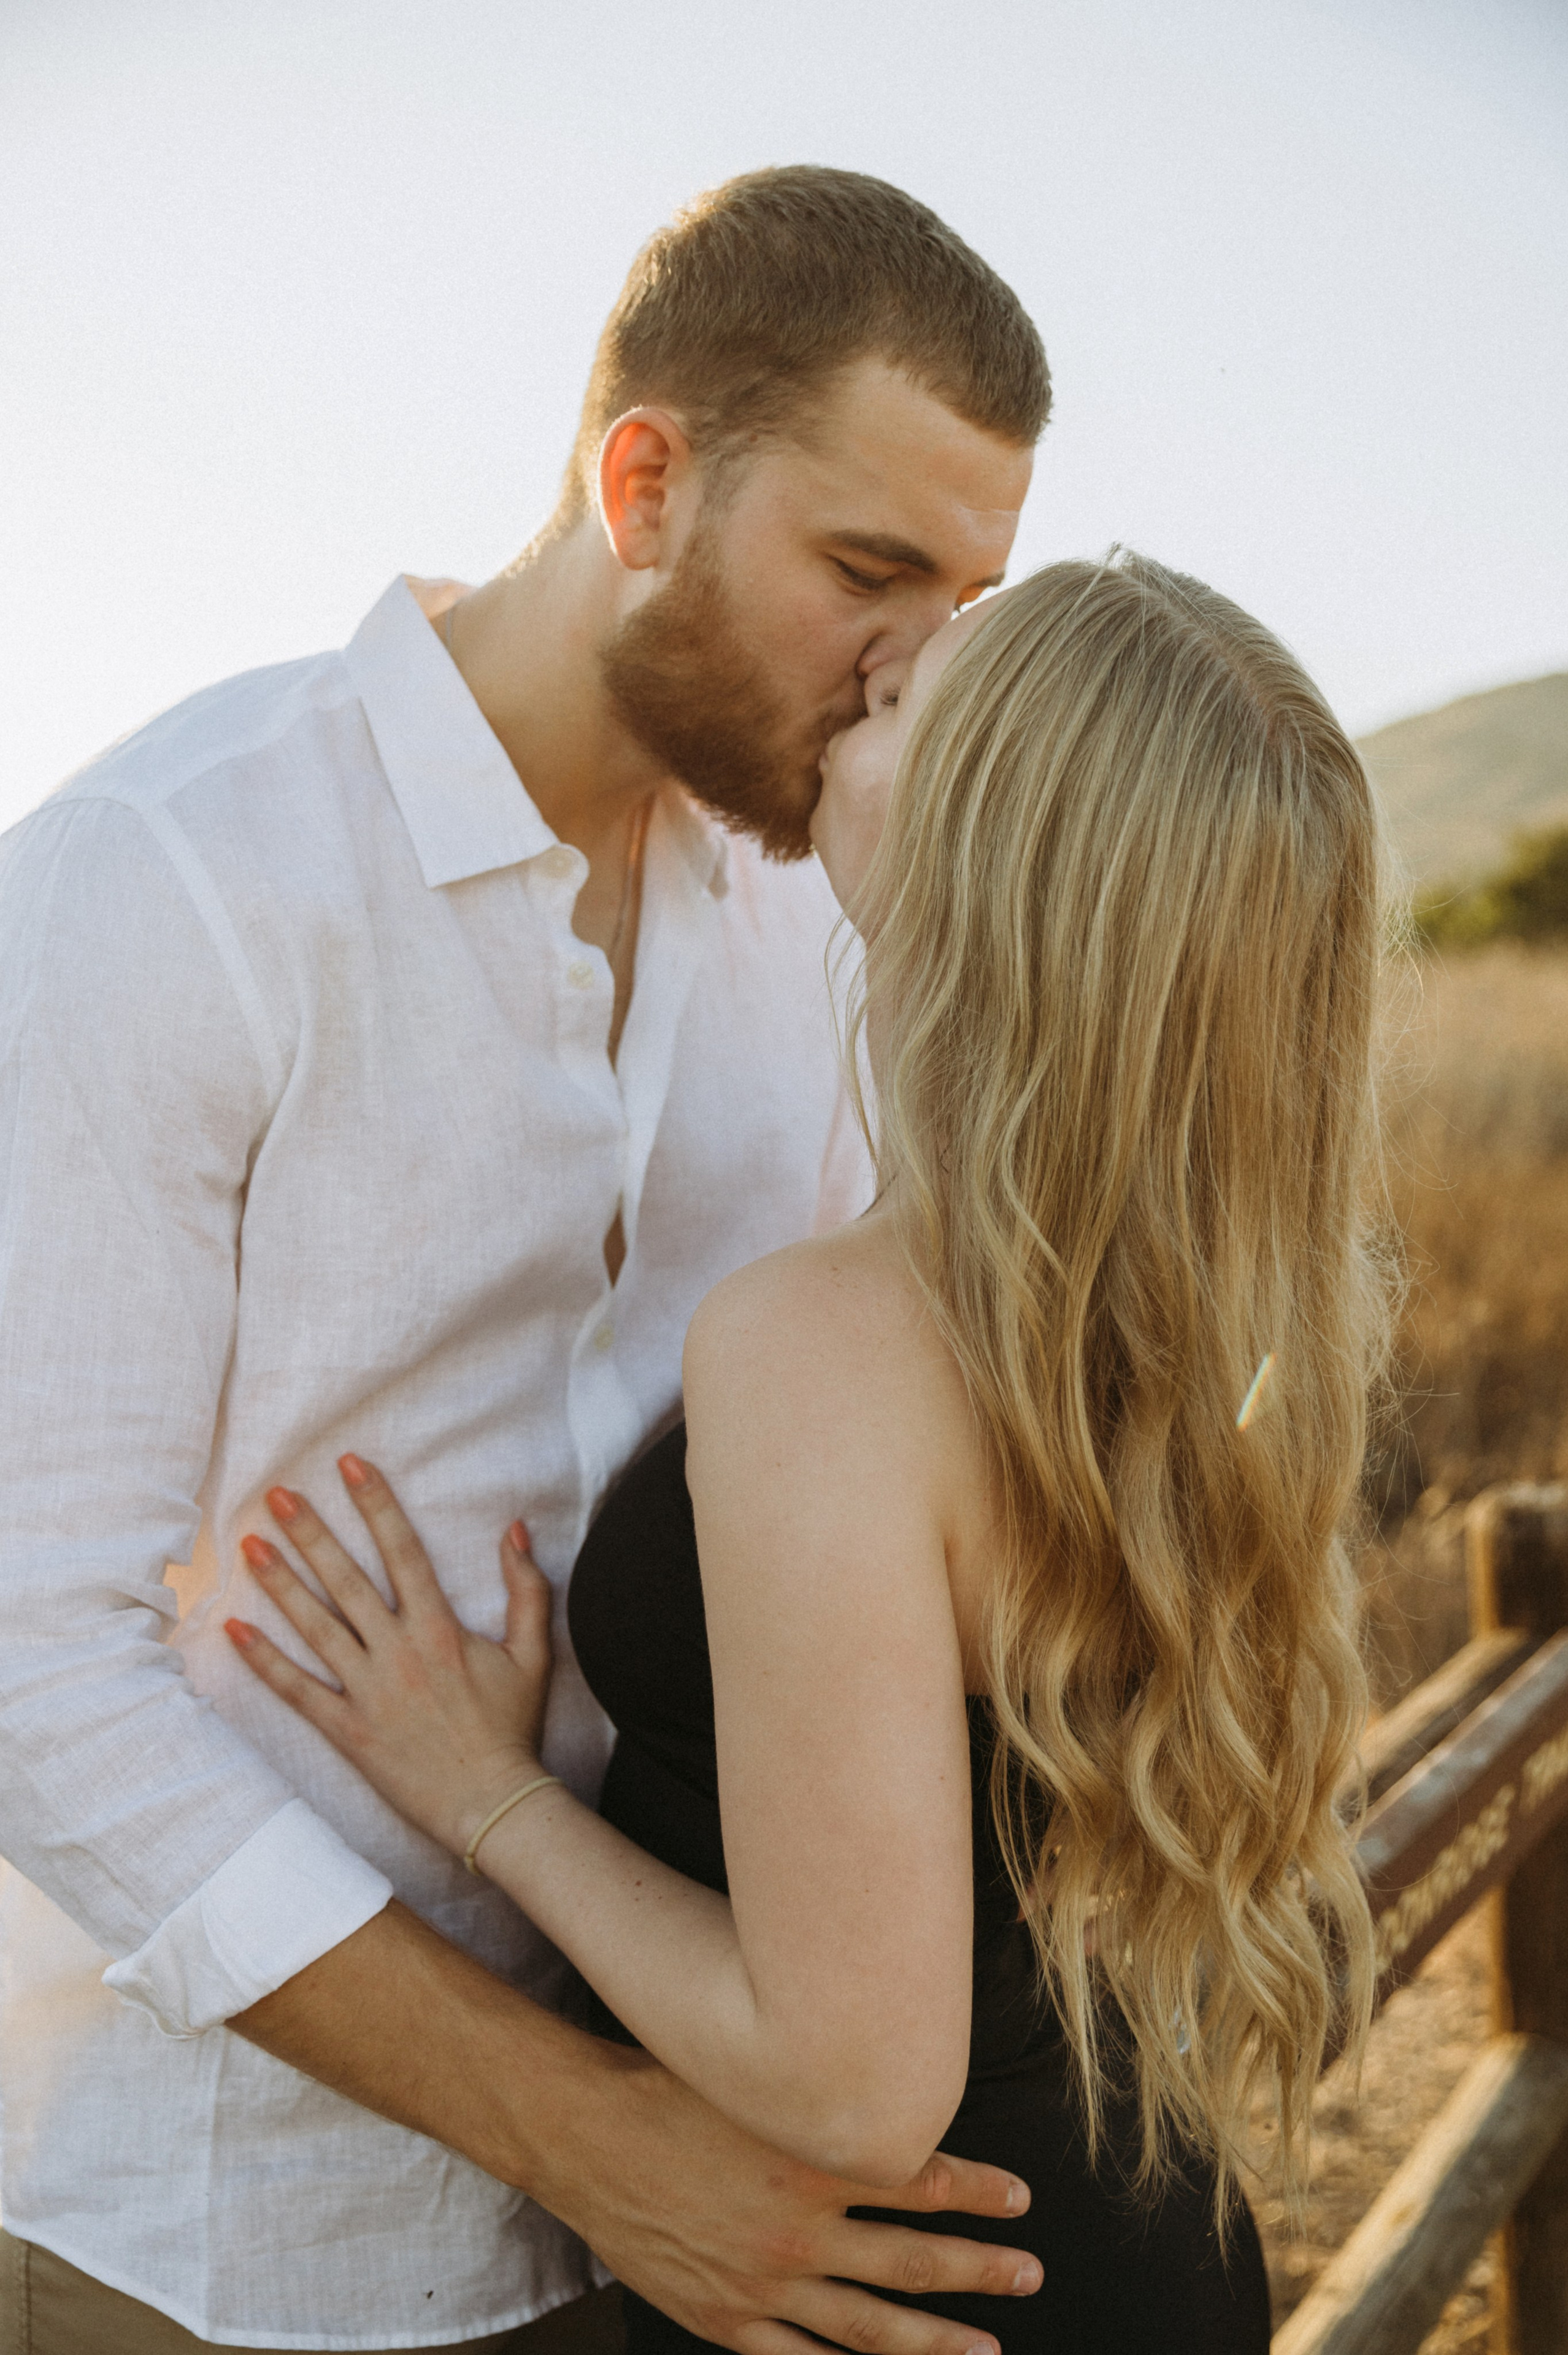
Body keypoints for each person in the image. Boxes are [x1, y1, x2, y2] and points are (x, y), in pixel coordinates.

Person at [0, 169, 1054, 2354]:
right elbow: (28, 1675)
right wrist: (585, 2134)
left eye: (961, 603)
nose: (908, 669)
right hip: (204, 2244)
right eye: (867, 570)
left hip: (688, 2217)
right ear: (644, 482)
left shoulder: (820, 918)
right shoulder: (163, 879)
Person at [226, 552, 1386, 2354]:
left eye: (923, 694)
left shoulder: (830, 1344)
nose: (879, 668)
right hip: (1117, 2240)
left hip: (914, 2296)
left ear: (991, 858)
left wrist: (489, 1796)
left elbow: (851, 2086)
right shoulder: (1182, 1314)